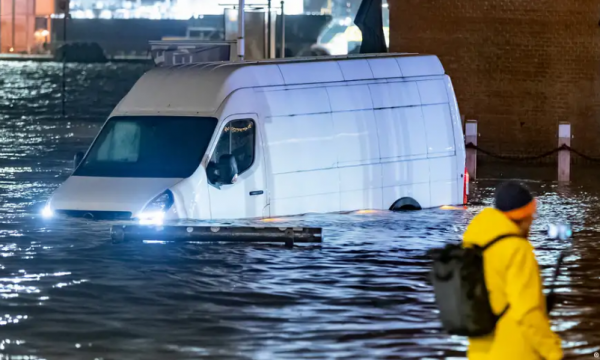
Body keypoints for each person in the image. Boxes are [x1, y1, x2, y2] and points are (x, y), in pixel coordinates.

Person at [462, 181, 563, 360]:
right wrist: (553, 353)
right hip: (515, 352)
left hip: (479, 353)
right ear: (524, 215)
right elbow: (528, 314)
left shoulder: (474, 244)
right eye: (532, 215)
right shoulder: (517, 250)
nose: (533, 220)